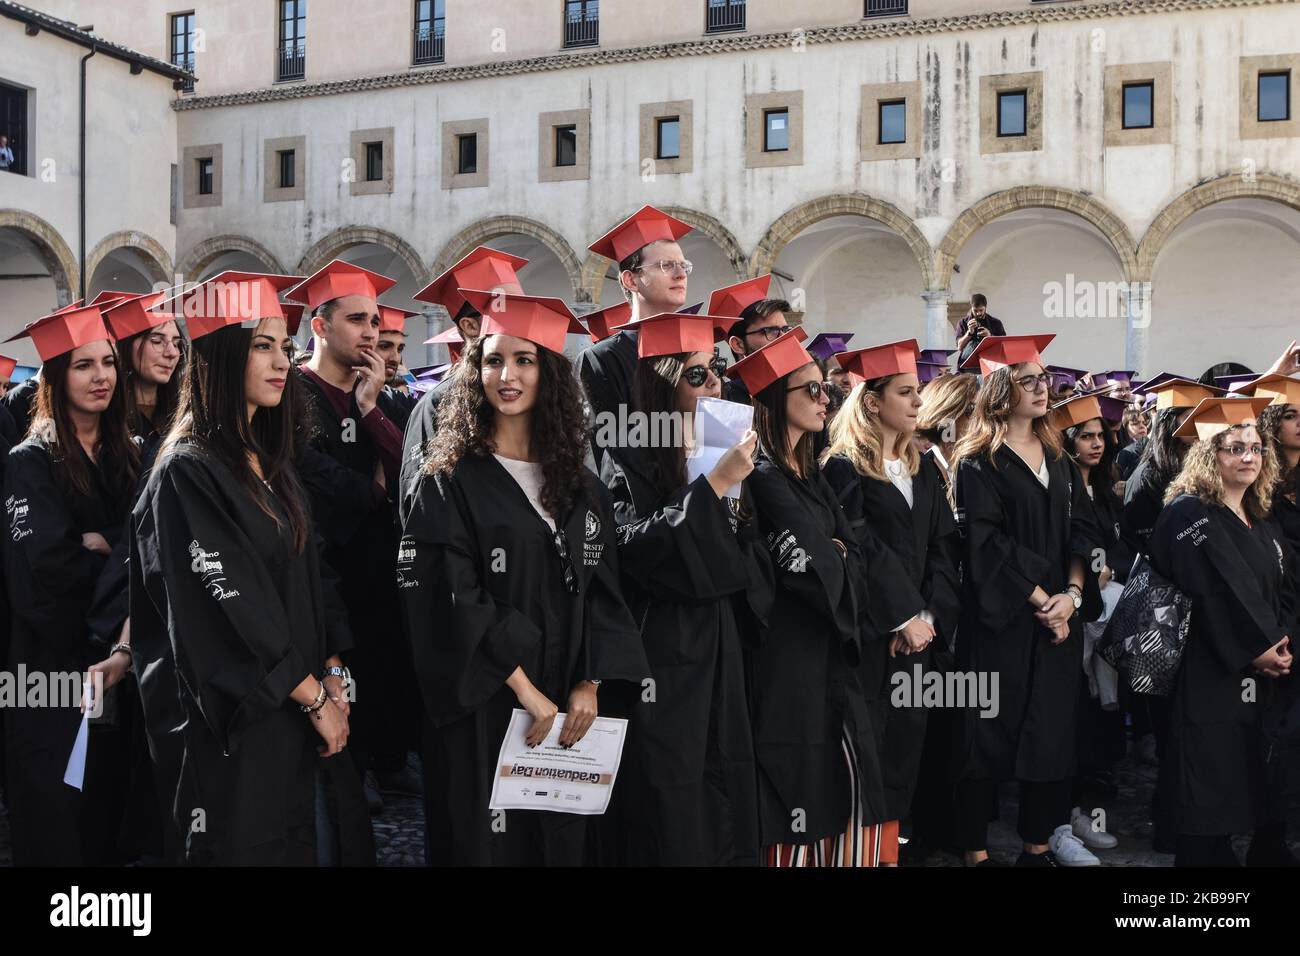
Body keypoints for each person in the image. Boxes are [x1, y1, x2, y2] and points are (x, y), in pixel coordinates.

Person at [400, 288, 649, 865]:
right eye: (492, 359)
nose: (506, 375)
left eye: (524, 360)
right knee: (487, 844)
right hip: (485, 701)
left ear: (550, 374)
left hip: (567, 703)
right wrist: (524, 690)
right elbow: (448, 594)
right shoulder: (449, 478)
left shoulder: (581, 486)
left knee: (560, 845)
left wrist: (588, 682)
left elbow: (604, 591)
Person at [130, 272, 352, 865]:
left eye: (284, 346)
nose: (283, 361)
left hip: (294, 711)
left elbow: (311, 575)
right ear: (222, 355)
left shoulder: (270, 463)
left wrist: (333, 672)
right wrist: (312, 699)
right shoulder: (186, 471)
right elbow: (231, 607)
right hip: (231, 728)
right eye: (261, 345)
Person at [597, 311, 773, 865]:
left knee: (726, 777)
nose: (715, 384)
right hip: (663, 650)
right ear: (661, 381)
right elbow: (632, 548)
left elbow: (746, 558)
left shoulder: (719, 447)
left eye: (716, 370)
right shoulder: (627, 451)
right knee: (671, 790)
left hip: (720, 639)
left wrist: (734, 499)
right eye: (696, 375)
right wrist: (714, 487)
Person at [727, 327, 888, 866]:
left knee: (849, 784)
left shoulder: (813, 475)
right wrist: (838, 554)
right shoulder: (766, 478)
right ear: (774, 399)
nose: (825, 399)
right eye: (811, 390)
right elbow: (817, 570)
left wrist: (839, 554)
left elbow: (852, 559)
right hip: (788, 661)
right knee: (798, 786)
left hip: (831, 658)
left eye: (826, 389)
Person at [951, 334, 1103, 867]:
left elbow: (1084, 531)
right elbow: (987, 545)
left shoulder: (1059, 459)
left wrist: (1073, 595)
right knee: (983, 737)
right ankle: (975, 852)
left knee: (1050, 736)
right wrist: (1045, 601)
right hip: (1003, 625)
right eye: (1029, 380)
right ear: (1000, 388)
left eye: (1045, 380)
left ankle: (1037, 847)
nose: (1043, 389)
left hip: (1060, 619)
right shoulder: (978, 462)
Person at [2, 302, 140, 865]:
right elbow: (47, 570)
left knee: (105, 813)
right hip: (48, 671)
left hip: (117, 663)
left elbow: (148, 545)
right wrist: (122, 555)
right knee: (55, 816)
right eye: (84, 365)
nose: (102, 376)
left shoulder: (128, 455)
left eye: (108, 362)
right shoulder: (29, 462)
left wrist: (107, 541)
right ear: (55, 377)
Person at [821, 339, 961, 867]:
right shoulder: (842, 468)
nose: (918, 403)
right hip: (870, 635)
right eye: (906, 392)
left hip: (919, 638)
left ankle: (892, 853)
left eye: (918, 392)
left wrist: (927, 617)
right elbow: (857, 546)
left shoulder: (923, 467)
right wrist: (900, 616)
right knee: (869, 747)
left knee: (907, 747)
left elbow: (945, 547)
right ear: (872, 401)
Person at [287, 260, 418, 810]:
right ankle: (344, 780)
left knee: (385, 669)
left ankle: (385, 764)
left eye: (374, 322)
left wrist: (369, 413)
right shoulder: (292, 393)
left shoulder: (383, 397)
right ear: (319, 326)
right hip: (321, 565)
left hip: (381, 566)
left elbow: (412, 470)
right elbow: (302, 471)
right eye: (357, 320)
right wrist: (371, 489)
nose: (370, 333)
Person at [1146, 396, 1297, 866]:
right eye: (1233, 448)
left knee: (1246, 777)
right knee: (1205, 784)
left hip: (1261, 671)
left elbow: (1283, 584)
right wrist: (1258, 647)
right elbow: (1210, 594)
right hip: (1207, 670)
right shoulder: (1187, 514)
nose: (1248, 457)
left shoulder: (1261, 515)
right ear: (1209, 455)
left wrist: (1283, 640)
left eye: (1254, 448)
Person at [400, 246, 529, 523]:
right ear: (470, 326)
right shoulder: (437, 403)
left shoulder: (529, 391)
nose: (523, 317)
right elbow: (422, 503)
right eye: (508, 308)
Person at [578, 205, 694, 437]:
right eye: (666, 265)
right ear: (631, 280)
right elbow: (614, 450)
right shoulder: (604, 358)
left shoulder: (695, 348)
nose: (681, 274)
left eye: (683, 265)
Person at [710, 274, 785, 406]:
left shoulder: (797, 388)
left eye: (785, 329)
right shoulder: (727, 401)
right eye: (771, 331)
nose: (783, 337)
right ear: (738, 344)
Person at [376, 305, 418, 430]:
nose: (395, 358)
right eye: (384, 346)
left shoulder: (404, 402)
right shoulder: (345, 398)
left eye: (400, 349)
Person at [954, 293, 1006, 368]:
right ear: (971, 308)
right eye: (975, 311)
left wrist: (989, 336)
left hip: (990, 365)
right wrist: (969, 333)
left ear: (986, 307)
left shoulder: (995, 323)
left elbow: (1003, 345)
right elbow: (959, 347)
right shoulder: (962, 323)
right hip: (968, 366)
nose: (978, 313)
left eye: (981, 310)